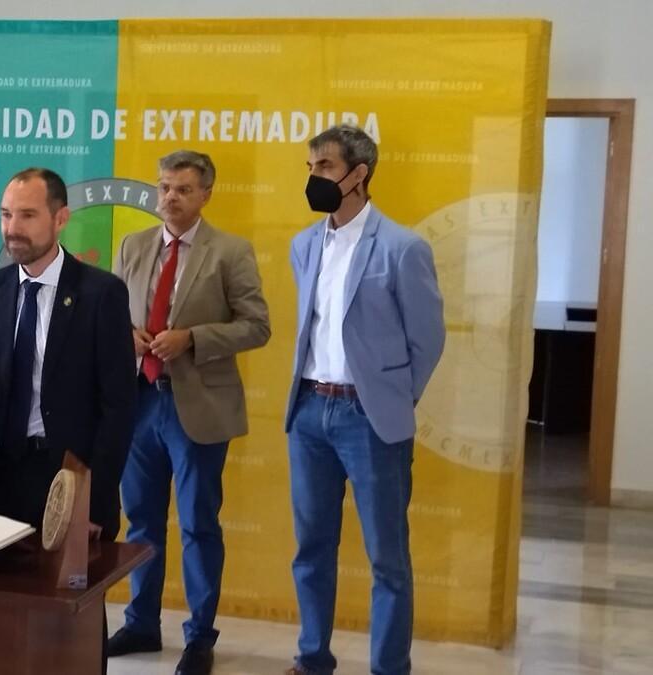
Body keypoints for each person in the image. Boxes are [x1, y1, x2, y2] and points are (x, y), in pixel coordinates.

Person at [283, 125, 445, 675]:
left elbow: (427, 340)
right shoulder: (303, 244)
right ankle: (312, 659)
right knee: (310, 550)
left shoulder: (403, 248)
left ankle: (388, 668)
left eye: (324, 168)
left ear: (359, 174)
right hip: (308, 412)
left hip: (370, 419)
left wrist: (390, 398)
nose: (314, 179)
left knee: (387, 561)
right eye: (309, 168)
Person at [108, 150, 271, 675]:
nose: (169, 198)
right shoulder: (132, 247)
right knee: (141, 522)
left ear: (205, 194)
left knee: (199, 523)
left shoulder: (231, 251)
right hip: (139, 404)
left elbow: (257, 326)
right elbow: (109, 318)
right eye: (163, 188)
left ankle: (199, 636)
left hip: (197, 408)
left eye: (181, 189)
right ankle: (141, 622)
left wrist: (194, 339)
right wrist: (125, 337)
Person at [0, 167, 137, 543]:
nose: (13, 227)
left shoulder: (101, 294)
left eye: (27, 215)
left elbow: (119, 406)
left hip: (71, 477)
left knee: (68, 599)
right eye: (6, 214)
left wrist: (93, 501)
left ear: (60, 218)